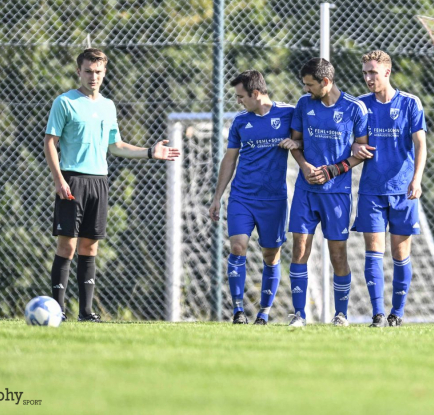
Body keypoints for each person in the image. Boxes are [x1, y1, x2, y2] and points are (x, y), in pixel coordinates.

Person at [44, 48, 180, 322]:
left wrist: (149, 152)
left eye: (98, 72)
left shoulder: (108, 106)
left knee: (90, 248)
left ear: (104, 73)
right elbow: (50, 142)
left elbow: (115, 146)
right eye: (88, 71)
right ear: (78, 72)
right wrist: (58, 179)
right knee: (67, 246)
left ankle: (86, 312)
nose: (93, 77)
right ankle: (57, 311)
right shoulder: (64, 102)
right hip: (72, 180)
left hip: (99, 182)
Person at [209, 70, 299, 325]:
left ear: (256, 94)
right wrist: (218, 197)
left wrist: (297, 144)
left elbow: (305, 141)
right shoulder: (240, 122)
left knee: (271, 255)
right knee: (237, 247)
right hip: (242, 197)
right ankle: (238, 311)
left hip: (274, 200)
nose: (238, 101)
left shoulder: (288, 113)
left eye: (241, 96)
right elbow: (230, 158)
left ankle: (264, 313)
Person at [286, 57, 370, 327]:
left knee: (338, 254)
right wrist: (304, 165)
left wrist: (334, 170)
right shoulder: (303, 104)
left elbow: (362, 152)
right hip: (305, 190)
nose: (306, 89)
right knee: (299, 249)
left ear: (326, 81)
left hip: (337, 193)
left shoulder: (355, 108)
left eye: (310, 84)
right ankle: (298, 315)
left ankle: (341, 315)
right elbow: (295, 142)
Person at [350, 50, 426, 327]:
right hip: (371, 190)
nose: (368, 77)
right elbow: (350, 142)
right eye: (365, 72)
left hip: (403, 190)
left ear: (387, 72)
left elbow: (420, 144)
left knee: (400, 253)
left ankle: (397, 313)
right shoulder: (360, 106)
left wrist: (416, 179)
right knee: (373, 251)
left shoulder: (410, 103)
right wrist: (354, 146)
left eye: (373, 72)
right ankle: (378, 314)